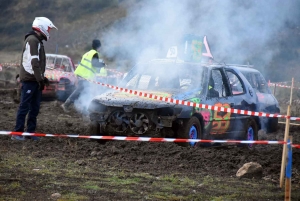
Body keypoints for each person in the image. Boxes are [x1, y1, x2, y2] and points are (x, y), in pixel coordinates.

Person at [12, 17, 57, 141]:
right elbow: (34, 62)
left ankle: (30, 133)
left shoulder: (36, 41)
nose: (49, 31)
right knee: (25, 106)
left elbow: (35, 65)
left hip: (34, 79)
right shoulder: (33, 41)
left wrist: (42, 78)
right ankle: (17, 133)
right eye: (48, 28)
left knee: (35, 108)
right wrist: (40, 79)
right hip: (29, 80)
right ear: (42, 27)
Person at [61, 39, 105, 112]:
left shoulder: (88, 53)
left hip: (81, 74)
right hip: (85, 75)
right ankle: (67, 105)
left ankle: (83, 107)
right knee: (82, 90)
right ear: (99, 46)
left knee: (83, 91)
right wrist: (102, 64)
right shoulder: (95, 54)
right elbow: (95, 64)